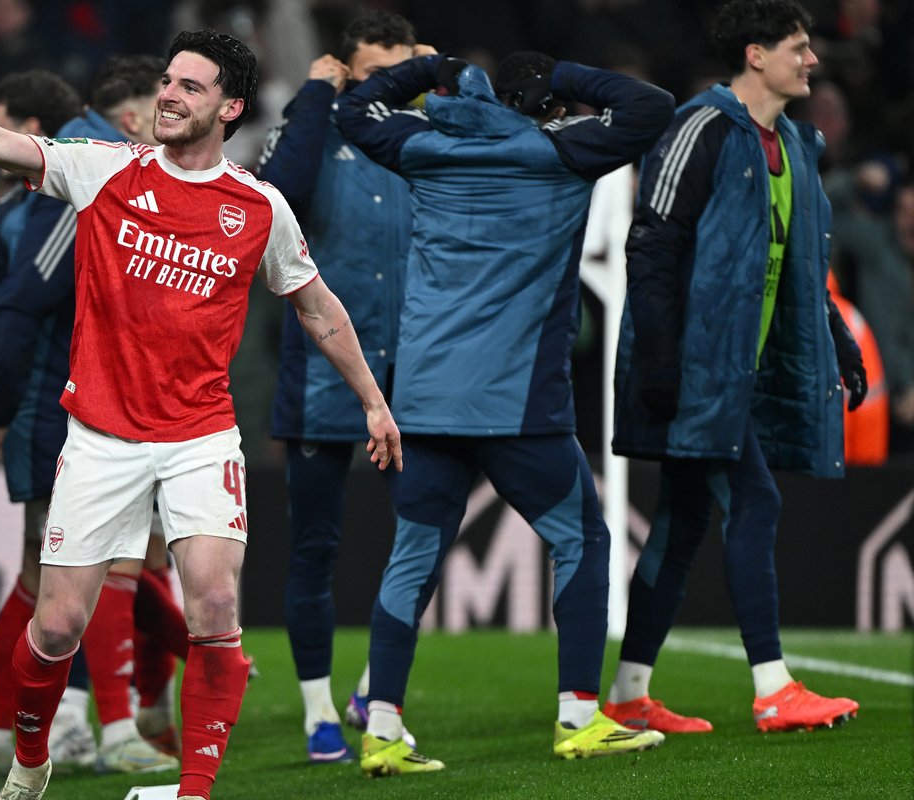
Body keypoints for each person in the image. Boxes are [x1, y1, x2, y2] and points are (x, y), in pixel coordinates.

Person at [0, 27, 404, 800]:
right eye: (168, 81)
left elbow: (317, 306)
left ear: (230, 108)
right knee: (57, 625)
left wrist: (373, 401)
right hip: (101, 438)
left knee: (215, 602)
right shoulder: (105, 170)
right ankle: (31, 758)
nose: (170, 95)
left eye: (190, 86)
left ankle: (193, 792)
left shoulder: (259, 207)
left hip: (200, 436)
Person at [335, 47, 674, 774]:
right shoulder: (560, 152)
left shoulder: (424, 147)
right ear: (540, 107)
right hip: (517, 404)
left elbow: (351, 109)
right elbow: (652, 105)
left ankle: (382, 728)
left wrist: (425, 68)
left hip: (425, 399)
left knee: (413, 556)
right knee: (581, 539)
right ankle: (579, 718)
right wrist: (563, 75)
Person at [608, 0, 862, 735]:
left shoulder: (795, 145)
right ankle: (773, 687)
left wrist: (838, 341)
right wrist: (660, 360)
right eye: (799, 47)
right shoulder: (701, 128)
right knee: (756, 501)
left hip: (741, 372)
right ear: (756, 54)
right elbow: (651, 246)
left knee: (682, 524)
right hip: (699, 369)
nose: (812, 60)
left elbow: (801, 266)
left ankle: (627, 694)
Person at [0, 53, 187, 781]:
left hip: (96, 405)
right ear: (133, 116)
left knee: (46, 573)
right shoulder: (84, 183)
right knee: (108, 564)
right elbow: (24, 304)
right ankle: (112, 727)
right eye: (166, 105)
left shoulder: (119, 176)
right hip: (60, 411)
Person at [255, 10, 422, 763]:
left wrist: (438, 74)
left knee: (426, 533)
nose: (392, 86)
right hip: (321, 375)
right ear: (345, 70)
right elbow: (275, 195)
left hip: (413, 375)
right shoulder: (311, 131)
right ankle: (319, 712)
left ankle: (372, 688)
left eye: (402, 70)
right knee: (315, 548)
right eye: (377, 72)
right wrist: (314, 96)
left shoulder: (425, 134)